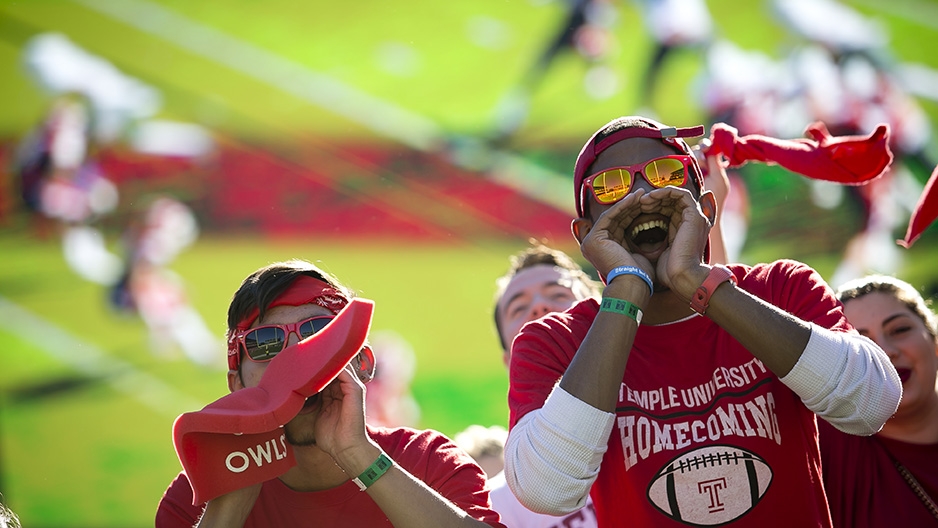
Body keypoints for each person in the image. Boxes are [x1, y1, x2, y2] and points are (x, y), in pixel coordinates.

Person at [503, 115, 902, 527]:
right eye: (612, 186)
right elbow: (545, 489)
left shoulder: (781, 288)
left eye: (666, 175)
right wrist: (626, 292)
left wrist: (697, 282)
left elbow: (871, 403)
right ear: (586, 234)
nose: (642, 196)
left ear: (706, 207)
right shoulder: (554, 341)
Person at [156, 259, 506, 527]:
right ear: (236, 384)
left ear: (363, 364)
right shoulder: (195, 498)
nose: (296, 363)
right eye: (266, 344)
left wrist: (358, 455)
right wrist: (229, 508)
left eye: (318, 336)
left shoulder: (430, 463)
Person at [486, 242, 601, 527]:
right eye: (519, 308)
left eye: (558, 294)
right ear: (507, 360)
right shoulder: (498, 509)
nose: (539, 306)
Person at [819, 275, 938, 527]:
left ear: (934, 342)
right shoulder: (827, 447)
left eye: (899, 330)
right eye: (862, 344)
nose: (885, 351)